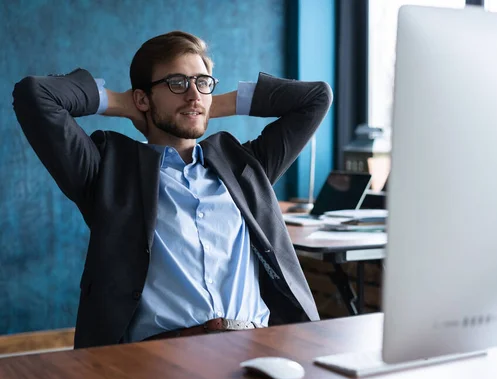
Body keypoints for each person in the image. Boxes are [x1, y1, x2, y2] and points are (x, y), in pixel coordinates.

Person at [12, 31, 332, 349]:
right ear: (143, 98)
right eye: (177, 83)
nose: (193, 94)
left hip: (257, 345)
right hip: (165, 356)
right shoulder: (107, 171)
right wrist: (121, 102)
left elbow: (316, 98)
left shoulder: (245, 165)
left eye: (203, 82)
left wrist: (209, 104)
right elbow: (35, 95)